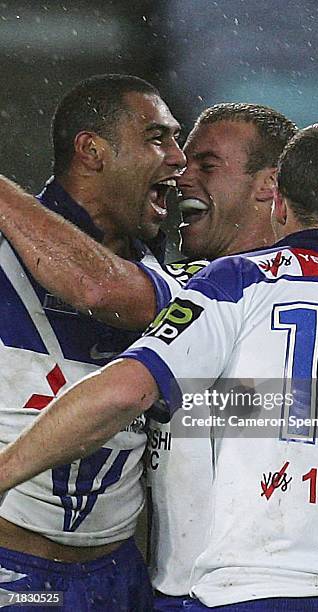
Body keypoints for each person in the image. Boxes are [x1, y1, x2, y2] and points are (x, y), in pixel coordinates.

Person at [0, 120, 318, 611]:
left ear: (275, 195)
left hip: (240, 589)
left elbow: (105, 305)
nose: (181, 173)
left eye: (207, 164)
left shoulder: (233, 285)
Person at [0, 101, 298, 605]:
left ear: (269, 184)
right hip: (163, 588)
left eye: (206, 166)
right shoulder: (192, 283)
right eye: (168, 146)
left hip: (278, 587)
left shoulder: (261, 290)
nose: (182, 173)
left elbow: (100, 289)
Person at [0, 73, 186, 611]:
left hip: (119, 578)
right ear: (92, 151)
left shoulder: (165, 279)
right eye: (157, 138)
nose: (177, 158)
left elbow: (96, 285)